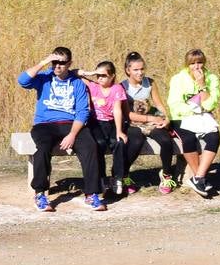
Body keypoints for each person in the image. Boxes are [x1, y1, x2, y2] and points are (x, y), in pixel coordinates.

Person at [18, 47, 104, 212]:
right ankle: (40, 193)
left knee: (90, 146)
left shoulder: (77, 83)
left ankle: (91, 194)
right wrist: (44, 62)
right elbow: (22, 81)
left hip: (71, 124)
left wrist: (72, 135)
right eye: (54, 62)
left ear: (69, 63)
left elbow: (82, 111)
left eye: (62, 63)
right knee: (42, 149)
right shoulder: (43, 78)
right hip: (45, 124)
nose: (57, 66)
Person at [119, 51, 179, 194]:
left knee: (165, 140)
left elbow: (158, 104)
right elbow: (128, 114)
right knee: (136, 141)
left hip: (151, 119)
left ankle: (166, 174)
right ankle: (124, 174)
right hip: (133, 122)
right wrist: (151, 119)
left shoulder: (150, 83)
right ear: (128, 70)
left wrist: (165, 118)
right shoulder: (123, 87)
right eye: (136, 70)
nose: (140, 73)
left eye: (142, 69)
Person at [167, 48, 220, 197]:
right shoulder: (178, 79)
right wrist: (193, 110)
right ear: (187, 64)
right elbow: (174, 103)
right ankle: (200, 179)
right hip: (182, 116)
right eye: (193, 63)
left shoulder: (212, 78)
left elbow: (210, 105)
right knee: (188, 138)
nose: (196, 67)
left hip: (202, 116)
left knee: (214, 136)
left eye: (200, 63)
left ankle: (198, 177)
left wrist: (202, 85)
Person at [78, 61, 128, 197]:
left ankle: (117, 177)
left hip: (112, 122)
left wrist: (119, 130)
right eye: (97, 75)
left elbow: (118, 110)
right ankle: (101, 177)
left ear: (112, 76)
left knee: (118, 142)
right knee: (98, 144)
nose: (100, 78)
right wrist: (91, 73)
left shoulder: (117, 89)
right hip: (96, 123)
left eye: (103, 75)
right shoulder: (93, 86)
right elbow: (74, 73)